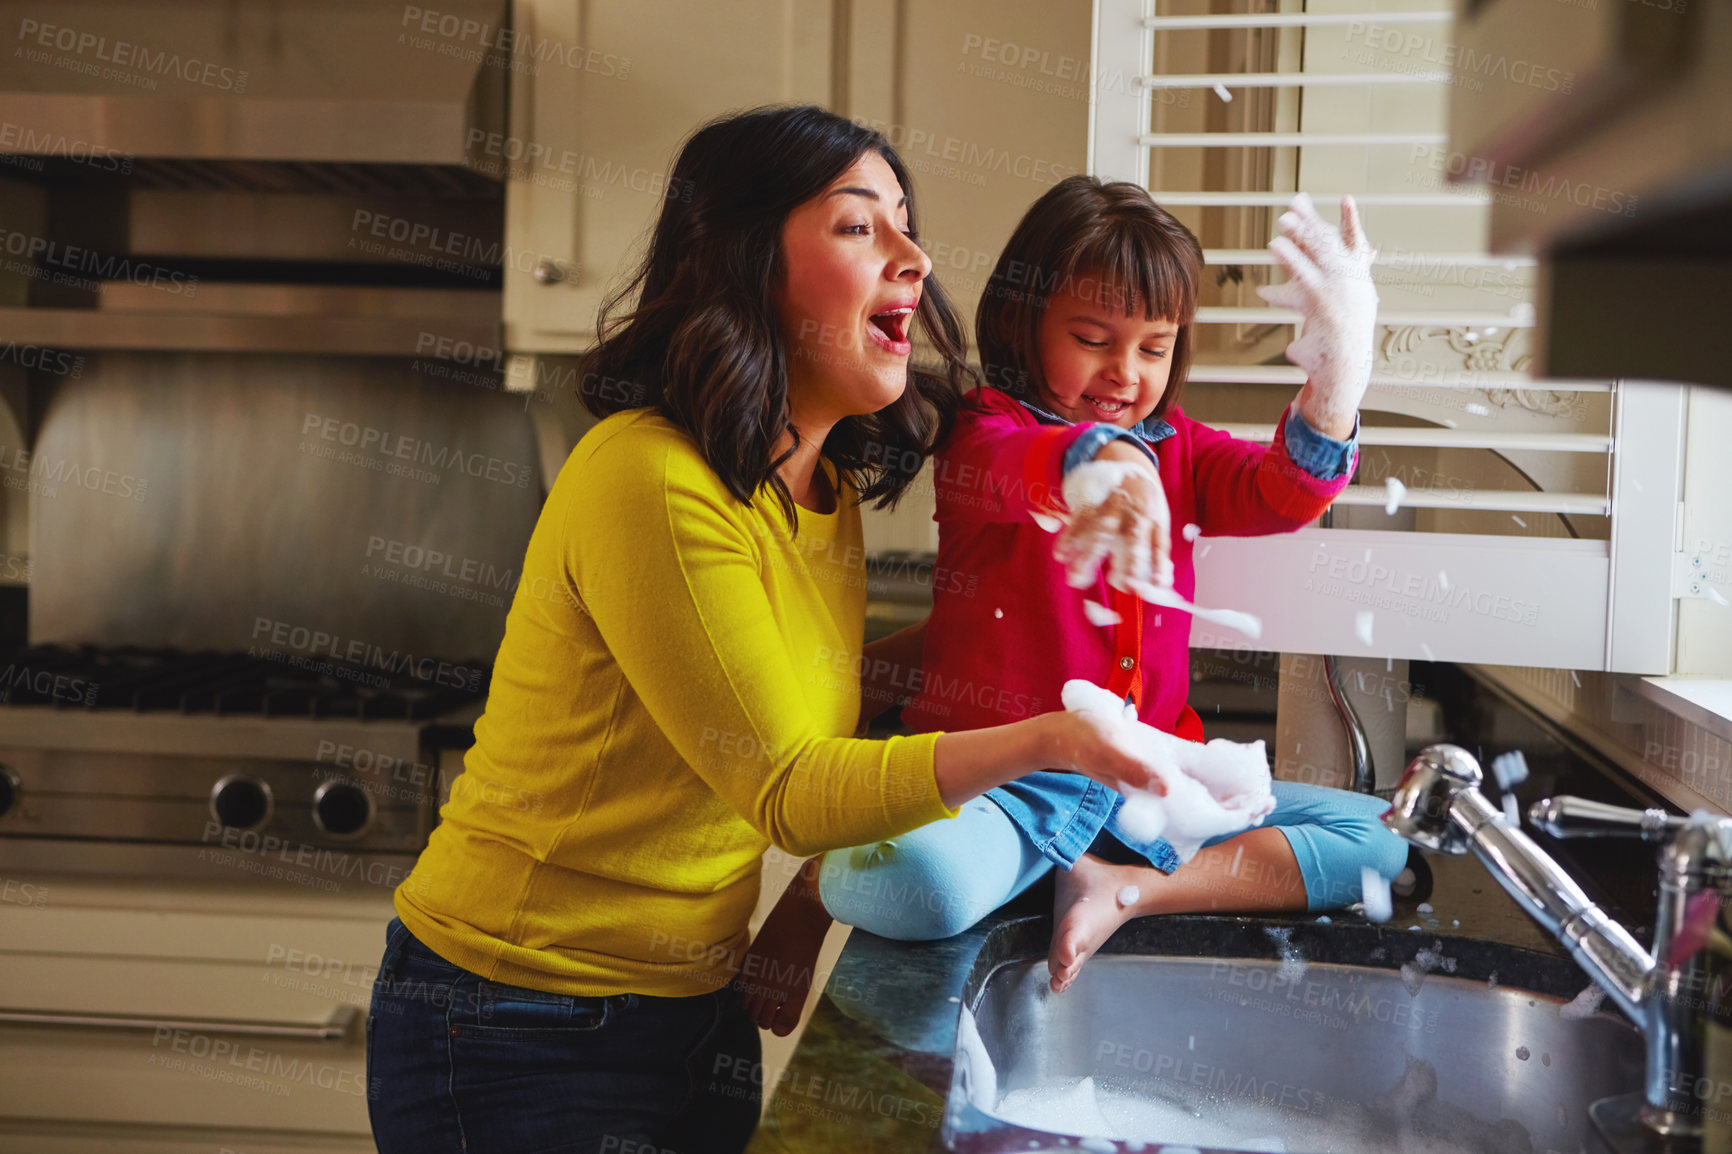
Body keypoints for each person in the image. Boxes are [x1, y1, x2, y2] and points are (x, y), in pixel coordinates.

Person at [365, 108, 1172, 1154]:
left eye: (906, 223)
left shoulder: (816, 487)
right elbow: (787, 781)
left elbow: (818, 688)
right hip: (514, 1015)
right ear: (744, 263)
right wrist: (1050, 736)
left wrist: (1029, 639)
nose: (915, 257)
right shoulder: (648, 477)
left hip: (690, 998)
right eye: (858, 226)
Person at [742, 178, 1410, 1037]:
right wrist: (1098, 466)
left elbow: (1285, 494)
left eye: (1154, 348)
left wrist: (1336, 378)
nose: (1124, 374)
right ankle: (823, 877)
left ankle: (1125, 890)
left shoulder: (1183, 449)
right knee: (914, 886)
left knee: (1382, 845)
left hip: (1151, 781)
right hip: (1005, 788)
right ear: (1026, 326)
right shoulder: (981, 431)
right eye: (1093, 340)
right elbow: (1024, 468)